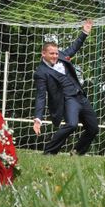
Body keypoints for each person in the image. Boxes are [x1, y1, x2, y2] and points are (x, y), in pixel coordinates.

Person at [32, 19, 99, 155]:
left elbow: (75, 47)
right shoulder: (41, 72)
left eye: (56, 53)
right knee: (72, 124)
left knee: (93, 128)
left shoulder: (62, 56)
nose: (55, 56)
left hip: (81, 96)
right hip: (68, 100)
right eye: (52, 54)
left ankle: (77, 153)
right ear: (43, 54)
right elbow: (40, 96)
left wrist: (85, 32)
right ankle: (49, 152)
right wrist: (37, 119)